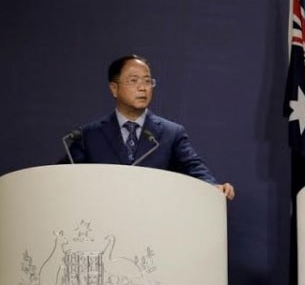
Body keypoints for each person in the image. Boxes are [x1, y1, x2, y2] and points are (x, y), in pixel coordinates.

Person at [61, 54, 235, 200]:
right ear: (114, 88)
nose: (143, 88)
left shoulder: (171, 133)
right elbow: (59, 178)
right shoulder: (89, 135)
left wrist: (213, 187)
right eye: (133, 81)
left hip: (152, 224)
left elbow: (194, 168)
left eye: (147, 81)